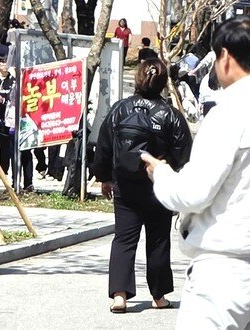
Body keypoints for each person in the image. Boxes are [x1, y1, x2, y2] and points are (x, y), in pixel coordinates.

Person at [142, 17, 250, 330]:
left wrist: (162, 174)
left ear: (225, 57)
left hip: (225, 274)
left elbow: (192, 194)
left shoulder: (229, 113)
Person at [94, 55, 193, 313]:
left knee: (124, 239)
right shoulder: (170, 115)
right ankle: (158, 296)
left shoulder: (119, 109)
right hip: (157, 186)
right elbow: (184, 154)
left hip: (124, 186)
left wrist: (104, 177)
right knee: (158, 239)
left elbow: (104, 146)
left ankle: (119, 295)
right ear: (162, 83)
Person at [0, 57, 32, 192]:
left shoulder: (22, 83)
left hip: (25, 122)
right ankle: (15, 181)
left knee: (25, 153)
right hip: (10, 122)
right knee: (12, 153)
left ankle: (28, 182)